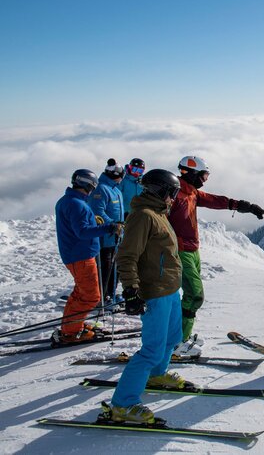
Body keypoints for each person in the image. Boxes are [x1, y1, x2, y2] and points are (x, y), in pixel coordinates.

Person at [108, 169, 185, 424]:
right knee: (152, 348)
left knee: (173, 338)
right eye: (172, 193)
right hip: (155, 292)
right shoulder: (143, 216)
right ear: (161, 191)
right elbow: (127, 256)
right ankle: (123, 403)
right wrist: (131, 291)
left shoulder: (159, 214)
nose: (174, 198)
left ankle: (156, 375)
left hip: (171, 289)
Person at [168, 155, 264, 345]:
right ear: (193, 174)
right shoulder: (177, 195)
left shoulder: (191, 193)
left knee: (188, 294)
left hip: (192, 249)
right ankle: (178, 341)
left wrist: (245, 206)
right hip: (180, 250)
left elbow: (215, 201)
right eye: (204, 176)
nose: (205, 181)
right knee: (194, 295)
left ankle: (179, 334)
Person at [55, 169, 122, 342]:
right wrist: (109, 227)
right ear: (89, 185)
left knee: (81, 292)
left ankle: (72, 325)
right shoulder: (77, 204)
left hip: (75, 254)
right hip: (81, 256)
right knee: (91, 296)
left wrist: (95, 222)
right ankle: (71, 332)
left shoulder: (68, 200)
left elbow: (79, 226)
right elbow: (82, 232)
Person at [89, 158, 125, 302]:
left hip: (115, 235)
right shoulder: (101, 188)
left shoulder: (115, 188)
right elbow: (97, 212)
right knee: (105, 265)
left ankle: (109, 293)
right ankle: (101, 296)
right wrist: (113, 224)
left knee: (114, 265)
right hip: (106, 235)